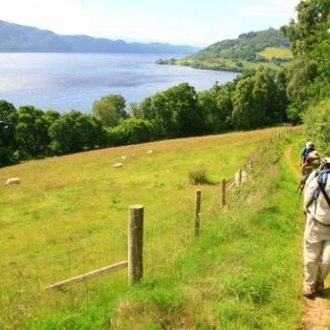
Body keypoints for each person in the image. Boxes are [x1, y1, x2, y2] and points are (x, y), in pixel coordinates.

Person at [302, 157, 330, 298]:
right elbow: (307, 199)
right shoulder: (318, 181)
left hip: (324, 227)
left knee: (326, 259)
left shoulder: (317, 179)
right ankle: (309, 284)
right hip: (315, 224)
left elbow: (305, 201)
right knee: (312, 258)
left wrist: (305, 211)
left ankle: (318, 282)